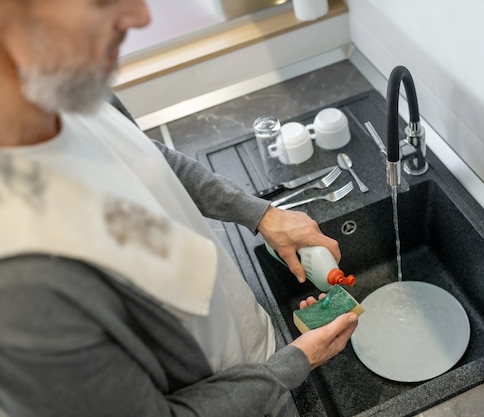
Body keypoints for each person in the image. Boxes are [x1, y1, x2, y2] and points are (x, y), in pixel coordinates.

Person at [0, 1, 358, 416]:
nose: (141, 18)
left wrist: (260, 213)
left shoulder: (64, 84)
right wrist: (292, 365)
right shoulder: (19, 291)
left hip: (261, 364)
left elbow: (146, 158)